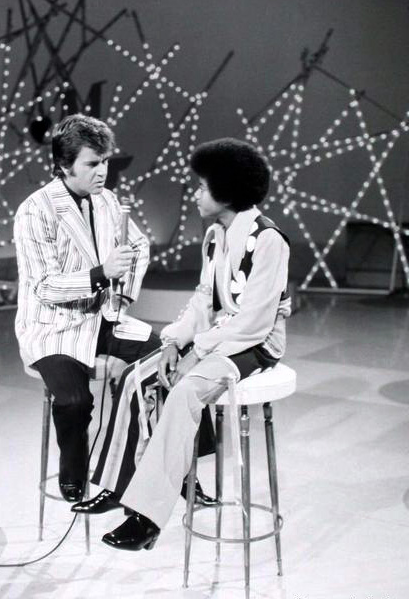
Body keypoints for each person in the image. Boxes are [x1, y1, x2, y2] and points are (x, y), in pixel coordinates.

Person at [94, 138, 292, 551]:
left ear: (227, 190)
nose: (196, 194)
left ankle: (146, 518)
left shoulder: (269, 240)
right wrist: (173, 342)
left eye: (202, 186)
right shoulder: (216, 235)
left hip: (255, 345)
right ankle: (120, 485)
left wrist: (198, 352)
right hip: (220, 337)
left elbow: (255, 322)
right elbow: (204, 299)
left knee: (185, 391)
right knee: (139, 375)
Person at [14, 113, 215, 505]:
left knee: (176, 362)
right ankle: (73, 473)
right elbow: (44, 286)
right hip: (53, 326)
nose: (103, 171)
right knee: (74, 400)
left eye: (105, 161)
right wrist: (99, 274)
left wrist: (123, 296)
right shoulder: (35, 210)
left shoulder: (106, 200)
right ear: (64, 165)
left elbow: (138, 246)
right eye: (92, 163)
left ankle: (183, 470)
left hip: (104, 319)